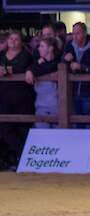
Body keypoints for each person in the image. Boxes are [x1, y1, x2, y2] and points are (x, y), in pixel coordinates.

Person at [0, 32, 35, 169]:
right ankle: (15, 157)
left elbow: (31, 67)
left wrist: (29, 71)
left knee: (23, 129)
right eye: (11, 39)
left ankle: (24, 159)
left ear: (21, 42)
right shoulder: (1, 55)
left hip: (23, 98)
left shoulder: (27, 56)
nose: (13, 42)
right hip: (4, 98)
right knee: (5, 129)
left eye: (16, 39)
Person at [25, 37, 60, 129]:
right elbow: (36, 68)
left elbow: (50, 67)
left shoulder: (58, 63)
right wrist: (30, 69)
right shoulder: (36, 64)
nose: (39, 48)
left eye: (42, 46)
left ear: (51, 48)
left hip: (57, 107)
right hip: (41, 107)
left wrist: (33, 68)